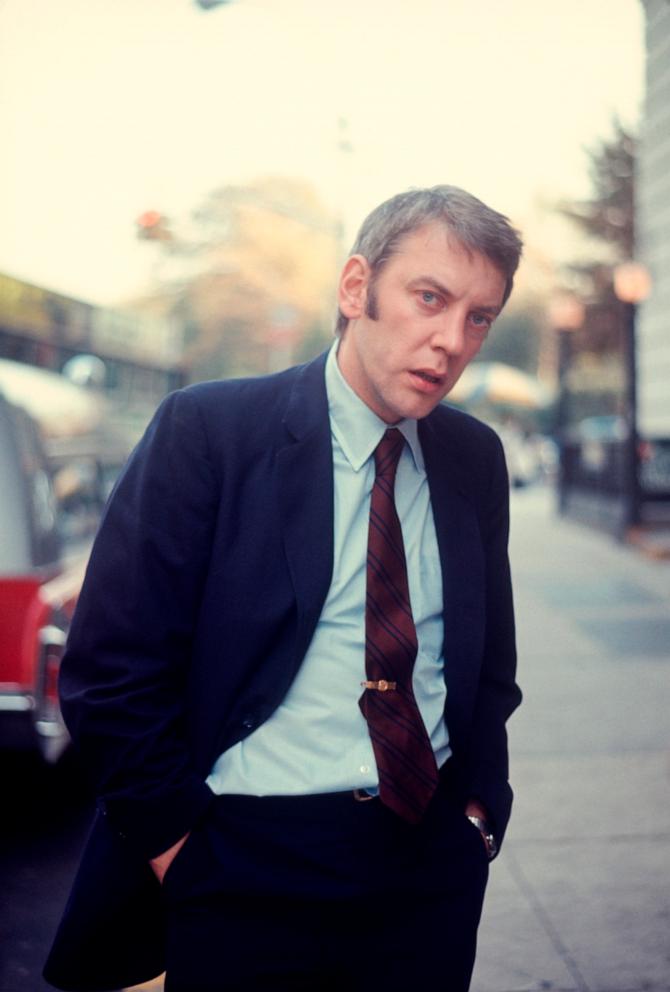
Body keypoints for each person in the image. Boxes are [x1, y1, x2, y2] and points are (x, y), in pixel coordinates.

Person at [45, 185, 523, 992]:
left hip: (426, 872)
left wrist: (477, 818)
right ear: (354, 288)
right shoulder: (210, 432)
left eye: (479, 317)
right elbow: (110, 670)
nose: (450, 340)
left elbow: (487, 670)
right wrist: (180, 853)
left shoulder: (473, 457)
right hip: (243, 866)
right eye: (430, 298)